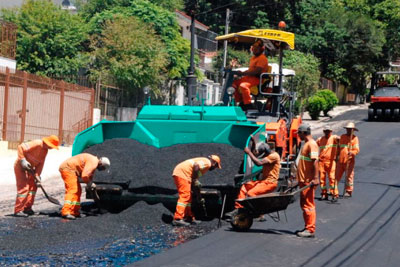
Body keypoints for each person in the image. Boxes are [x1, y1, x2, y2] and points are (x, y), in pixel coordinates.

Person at [228, 142, 280, 217]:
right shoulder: (268, 155)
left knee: (251, 193)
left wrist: (249, 152)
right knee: (244, 187)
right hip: (263, 182)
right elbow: (256, 156)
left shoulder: (274, 156)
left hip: (270, 183)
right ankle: (239, 210)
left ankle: (257, 213)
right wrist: (253, 144)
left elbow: (258, 162)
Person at [13, 135, 60, 217]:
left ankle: (27, 208)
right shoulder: (37, 143)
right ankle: (18, 210)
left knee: (33, 187)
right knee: (24, 188)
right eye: (52, 146)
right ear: (48, 143)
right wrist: (23, 160)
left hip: (30, 168)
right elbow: (20, 147)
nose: (52, 148)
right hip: (20, 166)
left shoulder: (45, 151)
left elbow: (40, 164)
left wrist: (37, 176)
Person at [172, 155, 221, 226]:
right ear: (214, 163)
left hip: (183, 173)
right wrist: (194, 179)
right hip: (183, 173)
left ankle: (188, 217)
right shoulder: (208, 163)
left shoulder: (204, 162)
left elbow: (194, 181)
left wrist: (198, 195)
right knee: (185, 195)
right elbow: (196, 166)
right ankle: (177, 218)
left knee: (188, 196)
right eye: (216, 166)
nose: (215, 168)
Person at [58, 153, 110, 220]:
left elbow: (89, 176)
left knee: (78, 190)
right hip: (68, 168)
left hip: (71, 170)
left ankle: (74, 211)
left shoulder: (93, 162)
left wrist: (90, 184)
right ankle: (66, 211)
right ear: (101, 164)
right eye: (103, 168)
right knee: (73, 189)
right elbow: (85, 175)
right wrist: (89, 183)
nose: (101, 170)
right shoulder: (94, 162)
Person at [296, 123, 319, 238]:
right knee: (304, 204)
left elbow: (315, 162)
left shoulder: (312, 144)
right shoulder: (306, 144)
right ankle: (307, 226)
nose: (298, 136)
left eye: (299, 133)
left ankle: (310, 229)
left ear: (304, 133)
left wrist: (315, 178)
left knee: (308, 204)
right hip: (303, 180)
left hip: (308, 180)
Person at [232, 39, 269, 111]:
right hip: (249, 77)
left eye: (257, 48)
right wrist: (241, 73)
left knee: (243, 85)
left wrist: (243, 73)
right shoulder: (253, 58)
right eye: (254, 48)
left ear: (261, 49)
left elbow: (256, 72)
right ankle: (240, 102)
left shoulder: (262, 58)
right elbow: (250, 70)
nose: (254, 50)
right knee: (234, 83)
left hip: (258, 79)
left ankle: (248, 105)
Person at [334, 122, 360, 198]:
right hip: (341, 160)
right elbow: (339, 148)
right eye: (347, 129)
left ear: (353, 130)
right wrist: (336, 156)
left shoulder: (355, 138)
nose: (348, 131)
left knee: (349, 177)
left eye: (350, 129)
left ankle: (348, 191)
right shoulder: (342, 136)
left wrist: (352, 152)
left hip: (349, 161)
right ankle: (333, 189)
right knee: (336, 175)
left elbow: (357, 149)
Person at [316, 125, 339, 202]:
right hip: (321, 162)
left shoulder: (334, 138)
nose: (327, 133)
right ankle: (324, 193)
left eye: (328, 131)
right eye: (325, 131)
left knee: (332, 178)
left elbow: (338, 139)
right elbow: (315, 146)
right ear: (323, 132)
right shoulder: (320, 139)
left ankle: (334, 194)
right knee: (322, 179)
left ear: (331, 132)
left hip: (331, 162)